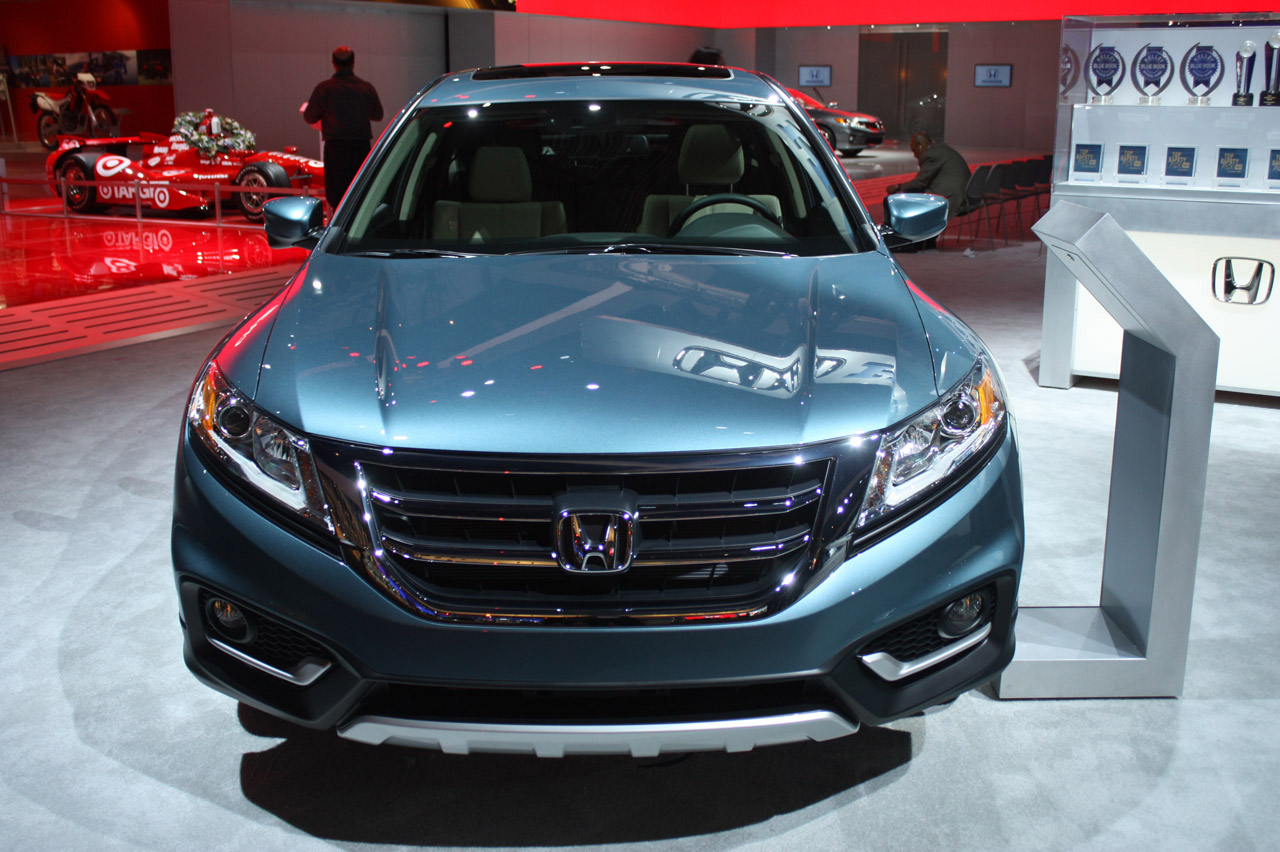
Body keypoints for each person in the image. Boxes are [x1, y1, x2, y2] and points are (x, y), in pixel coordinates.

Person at [303, 46, 384, 209]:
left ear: (334, 64)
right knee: (360, 192)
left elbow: (310, 116)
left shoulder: (324, 89)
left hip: (336, 151)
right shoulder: (365, 88)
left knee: (338, 197)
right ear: (353, 63)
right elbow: (378, 115)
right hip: (361, 149)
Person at [886, 132, 971, 218]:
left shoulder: (930, 155)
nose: (915, 155)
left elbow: (920, 183)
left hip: (954, 198)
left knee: (911, 199)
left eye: (914, 150)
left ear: (920, 146)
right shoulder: (941, 148)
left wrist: (898, 187)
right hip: (966, 194)